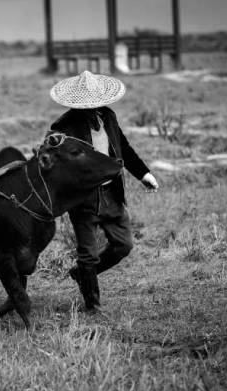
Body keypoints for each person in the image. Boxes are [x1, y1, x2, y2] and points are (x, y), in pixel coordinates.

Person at [48, 71, 159, 312]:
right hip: (83, 198)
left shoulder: (108, 116)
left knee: (124, 245)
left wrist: (144, 174)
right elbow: (52, 160)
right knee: (88, 254)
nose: (93, 105)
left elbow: (124, 148)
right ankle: (93, 305)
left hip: (112, 194)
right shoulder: (63, 126)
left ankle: (82, 275)